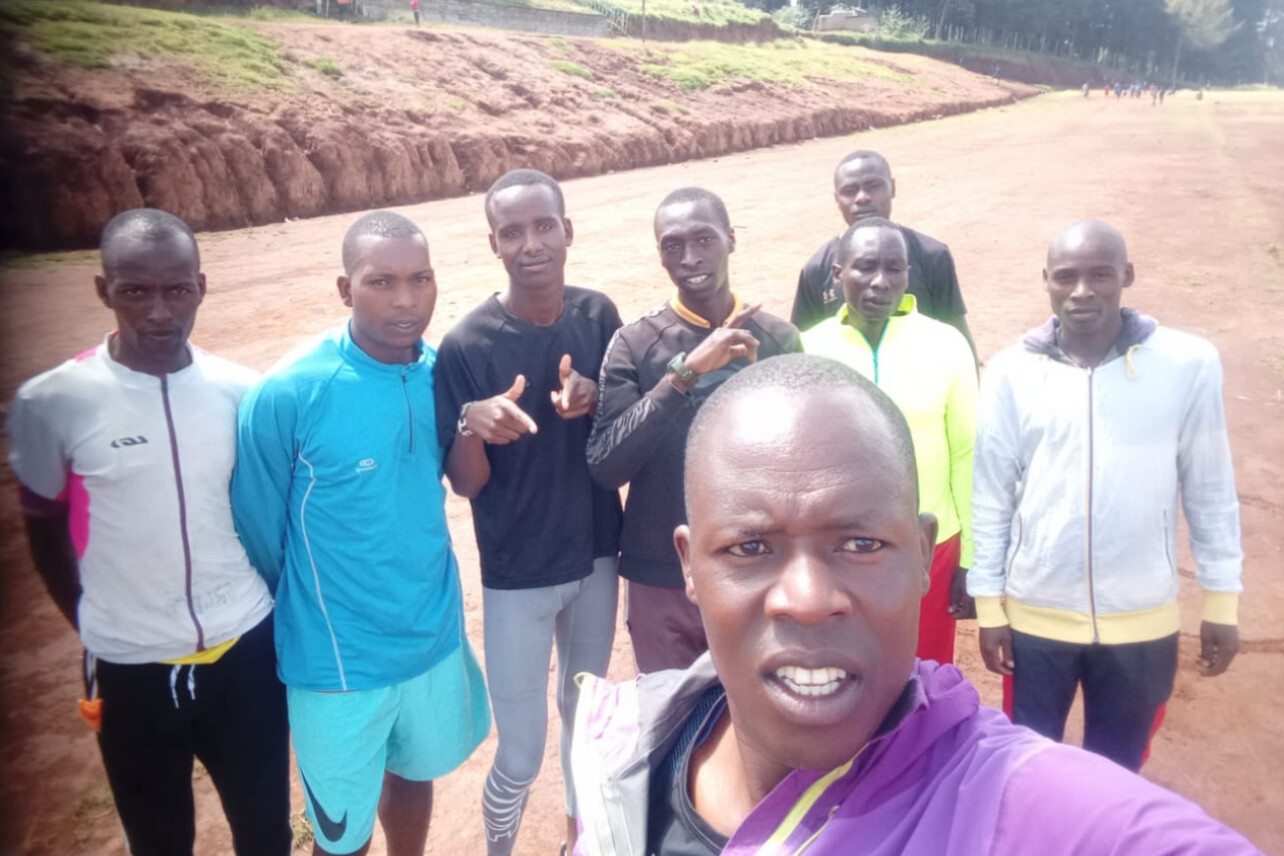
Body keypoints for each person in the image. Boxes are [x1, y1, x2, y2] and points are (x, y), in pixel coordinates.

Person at [570, 354, 1263, 856]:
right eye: (749, 548)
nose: (807, 601)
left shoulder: (1010, 804)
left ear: (924, 553)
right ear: (690, 566)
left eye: (861, 544)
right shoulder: (624, 747)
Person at [6, 208, 290, 855]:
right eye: (136, 291)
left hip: (246, 653)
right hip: (129, 668)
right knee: (158, 842)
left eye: (177, 289)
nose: (160, 311)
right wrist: (100, 624)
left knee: (266, 835)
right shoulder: (52, 404)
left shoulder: (243, 393)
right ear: (103, 290)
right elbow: (44, 533)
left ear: (201, 288)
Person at [232, 210, 490, 856]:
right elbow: (261, 530)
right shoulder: (291, 392)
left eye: (421, 278)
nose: (406, 300)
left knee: (414, 775)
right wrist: (323, 605)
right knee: (341, 836)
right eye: (381, 282)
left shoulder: (441, 374)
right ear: (345, 289)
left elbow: (460, 479)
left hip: (430, 637)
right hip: (338, 660)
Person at [969, 220, 1243, 773]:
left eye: (1100, 275)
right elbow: (991, 496)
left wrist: (1221, 600)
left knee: (1118, 774)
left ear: (1127, 276)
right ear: (1046, 280)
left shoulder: (1187, 365)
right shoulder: (1009, 372)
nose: (1082, 291)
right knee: (1029, 769)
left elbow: (1210, 488)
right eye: (1066, 277)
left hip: (1143, 620)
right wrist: (989, 605)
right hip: (1035, 619)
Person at [433, 169, 623, 856]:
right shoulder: (467, 345)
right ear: (494, 244)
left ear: (567, 231)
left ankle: (579, 844)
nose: (531, 243)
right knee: (520, 752)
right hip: (517, 572)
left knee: (585, 724)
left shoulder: (598, 317)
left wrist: (595, 397)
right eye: (512, 232)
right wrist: (471, 423)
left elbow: (623, 429)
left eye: (544, 226)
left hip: (597, 556)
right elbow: (467, 485)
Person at [587, 187, 801, 673]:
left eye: (704, 239)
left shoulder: (778, 340)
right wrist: (683, 376)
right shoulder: (635, 343)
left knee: (757, 708)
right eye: (673, 245)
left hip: (758, 571)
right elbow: (606, 465)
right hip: (660, 574)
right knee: (670, 713)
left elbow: (798, 462)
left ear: (731, 239)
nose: (689, 258)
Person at [803, 216, 976, 665]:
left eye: (894, 269)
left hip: (929, 546)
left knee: (926, 672)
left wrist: (971, 558)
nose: (881, 281)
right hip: (835, 549)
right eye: (866, 267)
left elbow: (967, 453)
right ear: (838, 273)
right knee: (846, 666)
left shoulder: (947, 345)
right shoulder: (806, 349)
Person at [790, 150, 975, 360]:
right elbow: (802, 351)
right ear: (837, 199)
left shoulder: (932, 256)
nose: (862, 197)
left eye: (873, 186)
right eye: (849, 191)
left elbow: (958, 338)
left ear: (892, 188)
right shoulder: (816, 269)